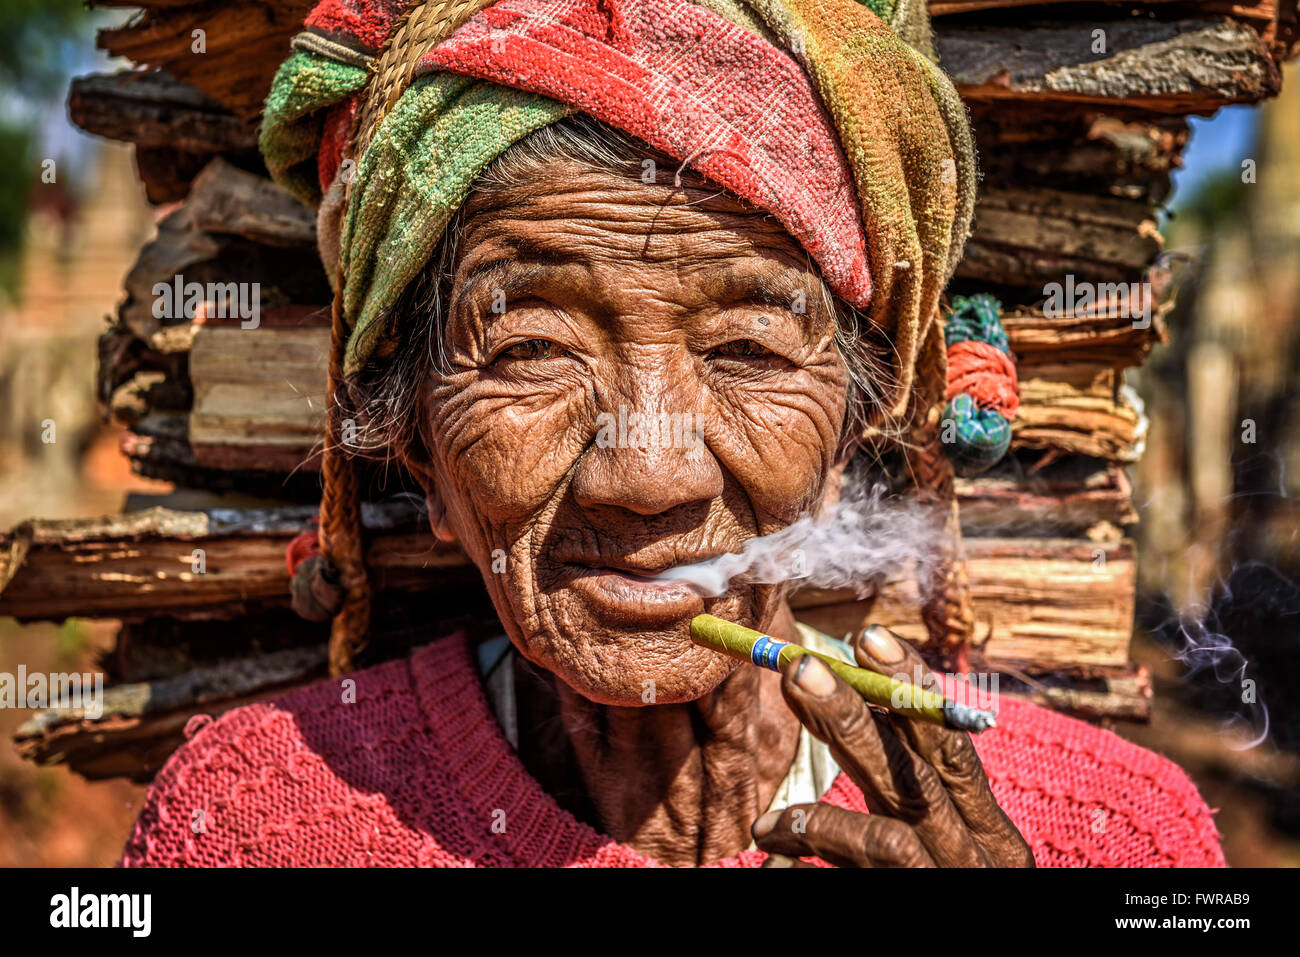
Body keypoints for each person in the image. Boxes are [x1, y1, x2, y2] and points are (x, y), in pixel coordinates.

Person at [120, 0, 1225, 867]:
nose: (646, 476)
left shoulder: (1108, 839)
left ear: (852, 428)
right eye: (532, 349)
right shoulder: (254, 822)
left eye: (747, 351)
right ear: (414, 440)